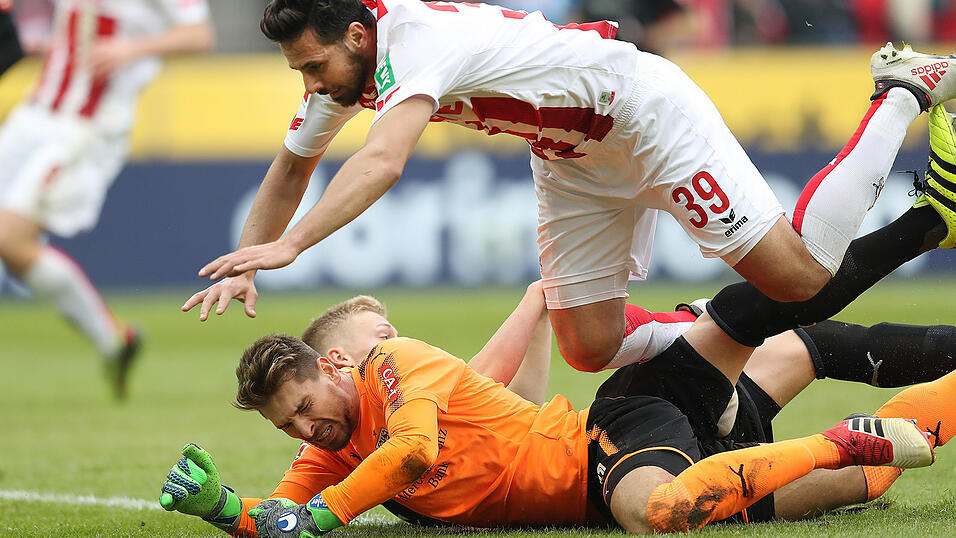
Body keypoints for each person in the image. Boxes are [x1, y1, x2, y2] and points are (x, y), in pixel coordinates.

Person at [183, 0, 956, 380]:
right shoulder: (343, 69)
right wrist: (251, 254)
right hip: (568, 156)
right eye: (301, 73)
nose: (311, 84)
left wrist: (291, 244)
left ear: (356, 37)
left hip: (641, 112)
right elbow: (291, 166)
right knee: (588, 346)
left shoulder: (415, 41)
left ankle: (902, 91)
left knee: (797, 277)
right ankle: (706, 332)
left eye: (313, 67)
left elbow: (382, 163)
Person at [156, 328, 948, 536]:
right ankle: (867, 447)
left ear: (331, 365)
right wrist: (225, 507)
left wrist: (329, 514)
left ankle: (842, 436)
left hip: (606, 444)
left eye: (304, 405)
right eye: (287, 423)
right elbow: (281, 519)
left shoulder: (392, 367)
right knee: (862, 486)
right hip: (604, 486)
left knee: (662, 514)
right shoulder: (328, 448)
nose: (306, 427)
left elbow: (414, 453)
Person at [0, 0, 214, 398]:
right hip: (35, 111)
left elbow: (199, 35)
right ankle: (116, 342)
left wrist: (130, 50)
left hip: (84, 126)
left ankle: (112, 339)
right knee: (11, 245)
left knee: (11, 240)